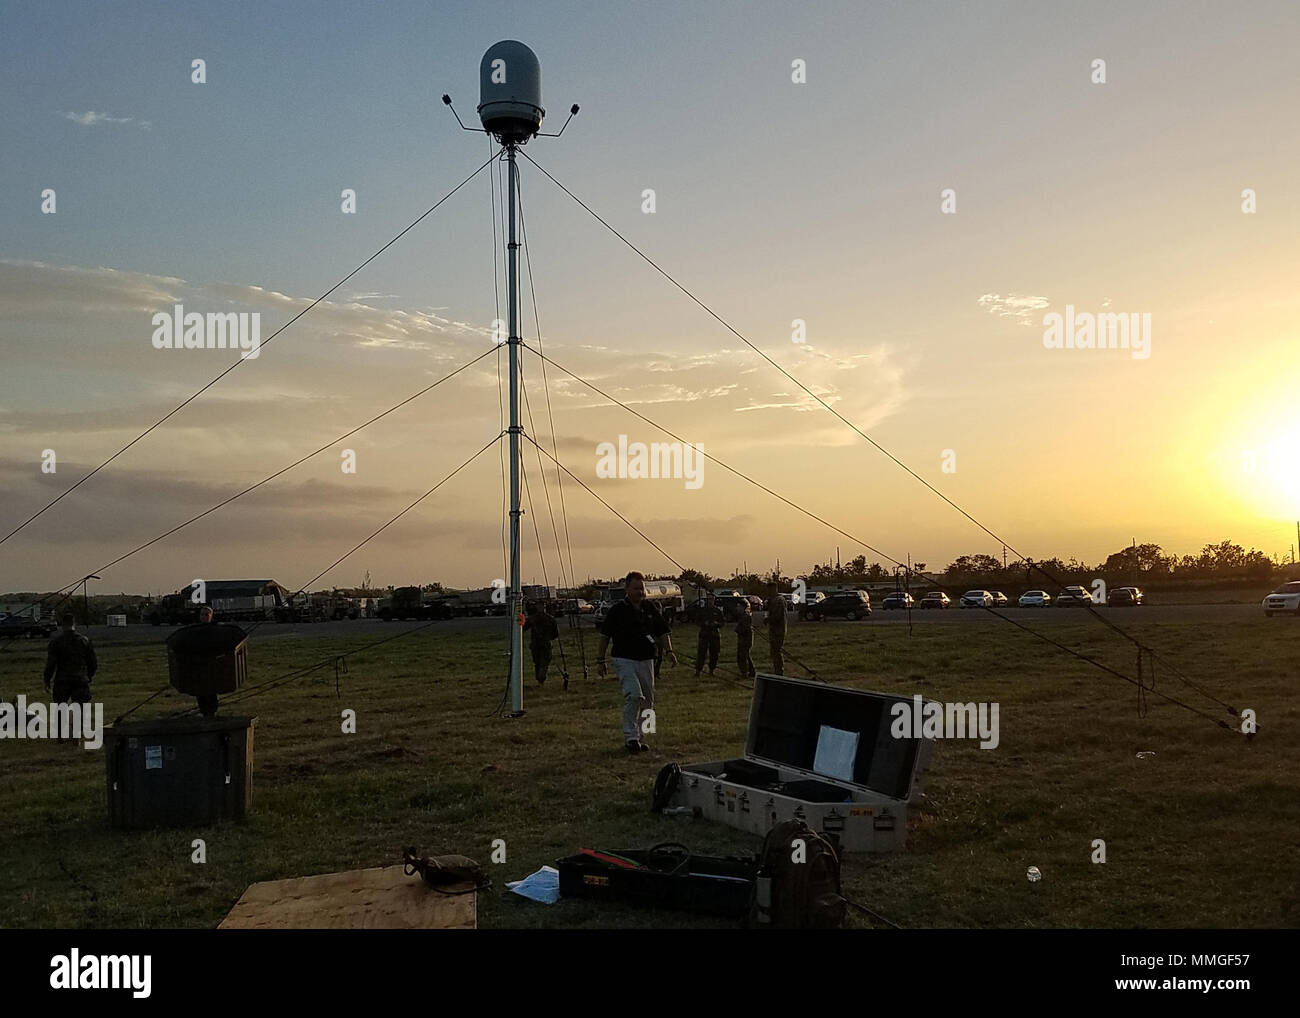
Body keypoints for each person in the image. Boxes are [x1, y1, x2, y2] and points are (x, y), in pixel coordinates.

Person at [596, 572, 676, 753]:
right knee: (634, 696)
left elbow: (663, 631)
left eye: (642, 588)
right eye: (636, 588)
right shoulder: (617, 610)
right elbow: (604, 637)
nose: (640, 592)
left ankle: (643, 735)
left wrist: (669, 651)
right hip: (624, 659)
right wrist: (600, 660)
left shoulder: (650, 608)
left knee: (649, 700)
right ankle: (630, 737)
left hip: (646, 659)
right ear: (627, 589)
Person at [43, 612, 97, 707]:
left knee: (60, 712)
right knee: (79, 712)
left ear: (63, 625)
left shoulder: (56, 642)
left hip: (62, 680)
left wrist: (47, 680)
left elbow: (51, 664)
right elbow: (92, 662)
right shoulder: (84, 641)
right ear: (74, 624)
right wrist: (89, 676)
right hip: (80, 679)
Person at [523, 601, 560, 685]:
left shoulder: (533, 619)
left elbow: (523, 628)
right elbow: (555, 634)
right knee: (542, 663)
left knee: (540, 663)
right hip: (543, 644)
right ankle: (540, 678)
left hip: (537, 644)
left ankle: (540, 678)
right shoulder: (550, 619)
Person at [694, 592, 723, 677]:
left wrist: (716, 624)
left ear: (714, 600)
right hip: (704, 634)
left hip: (714, 635)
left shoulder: (717, 611)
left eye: (712, 599)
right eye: (709, 599)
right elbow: (697, 621)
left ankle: (711, 670)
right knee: (701, 654)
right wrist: (704, 623)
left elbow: (722, 622)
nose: (710, 601)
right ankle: (698, 671)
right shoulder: (702, 611)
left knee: (714, 654)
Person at [762, 585, 787, 675]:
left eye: (769, 590)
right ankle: (777, 670)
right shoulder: (772, 600)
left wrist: (768, 619)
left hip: (779, 630)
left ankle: (779, 671)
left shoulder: (779, 600)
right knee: (773, 651)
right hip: (773, 630)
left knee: (777, 651)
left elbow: (777, 616)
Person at [735, 600, 756, 680]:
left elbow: (744, 629)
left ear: (743, 607)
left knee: (742, 656)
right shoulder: (742, 616)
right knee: (746, 656)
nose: (737, 608)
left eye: (738, 606)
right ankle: (751, 671)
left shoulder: (746, 616)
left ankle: (745, 673)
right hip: (743, 639)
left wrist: (737, 630)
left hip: (746, 640)